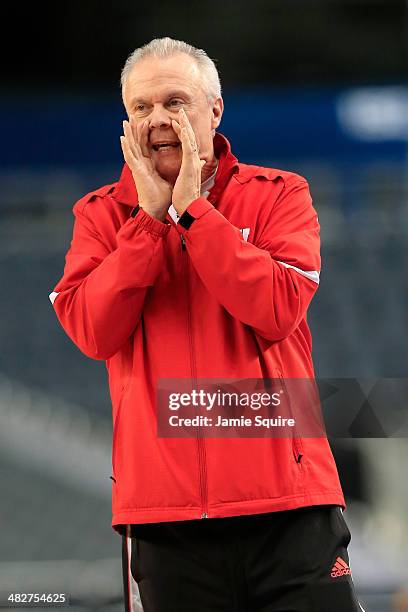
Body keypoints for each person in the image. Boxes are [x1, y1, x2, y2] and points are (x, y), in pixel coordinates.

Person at [49, 37, 364, 612]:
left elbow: (277, 307)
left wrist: (195, 214)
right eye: (141, 108)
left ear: (214, 110)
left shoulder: (279, 195)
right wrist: (147, 222)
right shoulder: (99, 216)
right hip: (166, 524)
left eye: (175, 101)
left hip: (290, 509)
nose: (158, 120)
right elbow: (93, 331)